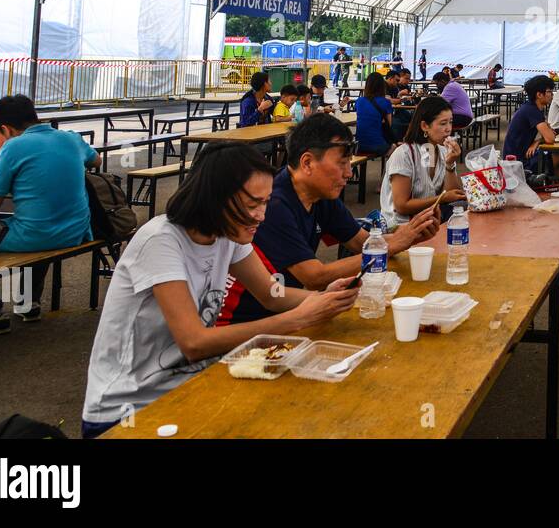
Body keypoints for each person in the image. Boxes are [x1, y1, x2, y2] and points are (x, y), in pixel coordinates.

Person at [80, 144, 359, 438]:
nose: (262, 216)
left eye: (265, 203)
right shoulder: (161, 241)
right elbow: (194, 342)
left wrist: (324, 298)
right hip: (127, 411)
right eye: (253, 204)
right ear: (214, 199)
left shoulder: (228, 233)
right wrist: (297, 319)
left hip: (189, 388)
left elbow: (270, 294)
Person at [222, 114, 440, 324]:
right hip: (249, 323)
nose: (348, 173)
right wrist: (390, 247)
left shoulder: (321, 195)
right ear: (307, 163)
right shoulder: (274, 204)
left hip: (290, 309)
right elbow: (314, 276)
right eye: (341, 163)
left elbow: (361, 243)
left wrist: (410, 234)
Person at [0, 95, 100, 335]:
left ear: (5, 128)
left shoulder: (13, 146)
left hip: (40, 234)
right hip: (76, 231)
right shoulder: (71, 138)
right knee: (37, 226)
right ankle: (28, 304)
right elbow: (96, 160)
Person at [382, 96, 467, 226]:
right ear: (424, 126)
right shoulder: (404, 155)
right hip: (401, 225)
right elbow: (401, 206)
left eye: (450, 122)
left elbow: (453, 196)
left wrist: (450, 165)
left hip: (430, 221)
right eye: (443, 123)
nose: (448, 129)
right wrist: (441, 199)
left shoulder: (444, 151)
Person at [503, 74, 557, 175]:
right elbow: (550, 138)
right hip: (518, 162)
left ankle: (558, 187)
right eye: (549, 91)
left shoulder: (532, 108)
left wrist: (536, 142)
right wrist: (540, 140)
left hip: (520, 157)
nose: (552, 95)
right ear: (539, 95)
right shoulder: (532, 110)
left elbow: (549, 131)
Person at [354, 71, 395, 157]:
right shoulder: (385, 102)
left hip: (359, 145)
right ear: (382, 86)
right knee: (395, 147)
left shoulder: (359, 101)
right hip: (378, 145)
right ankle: (386, 170)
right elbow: (389, 124)